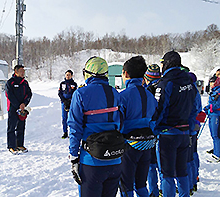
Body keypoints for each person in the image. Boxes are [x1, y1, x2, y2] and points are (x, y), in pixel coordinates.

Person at [68, 56, 123, 197]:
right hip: (115, 160)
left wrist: (74, 157)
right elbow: (121, 122)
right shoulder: (115, 93)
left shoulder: (80, 94)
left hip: (92, 161)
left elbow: (75, 128)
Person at [152, 51, 200, 197]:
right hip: (185, 133)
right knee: (181, 171)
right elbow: (195, 108)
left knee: (167, 174)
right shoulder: (190, 83)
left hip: (168, 134)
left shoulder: (166, 82)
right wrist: (190, 125)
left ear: (166, 63)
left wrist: (153, 128)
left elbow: (159, 109)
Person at [119, 56, 158, 197]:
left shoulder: (122, 96)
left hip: (129, 145)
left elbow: (119, 123)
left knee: (126, 185)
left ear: (126, 74)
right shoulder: (150, 96)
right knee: (141, 184)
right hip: (147, 144)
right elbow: (154, 120)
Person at [144, 64, 162, 197]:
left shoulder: (148, 90)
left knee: (151, 164)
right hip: (165, 129)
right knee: (163, 165)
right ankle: (164, 190)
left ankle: (153, 191)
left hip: (151, 130)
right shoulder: (165, 86)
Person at [5, 64, 32, 155]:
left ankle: (20, 144)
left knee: (21, 127)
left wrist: (24, 103)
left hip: (22, 108)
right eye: (21, 71)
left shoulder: (25, 83)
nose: (23, 73)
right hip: (13, 108)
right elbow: (9, 95)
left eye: (23, 71)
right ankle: (11, 146)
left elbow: (29, 93)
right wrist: (18, 105)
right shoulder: (10, 82)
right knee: (12, 127)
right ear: (16, 72)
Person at [204, 76, 220, 162]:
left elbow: (219, 103)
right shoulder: (214, 90)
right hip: (213, 114)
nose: (210, 84)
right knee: (215, 134)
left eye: (212, 82)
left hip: (217, 114)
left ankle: (217, 154)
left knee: (216, 134)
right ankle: (217, 152)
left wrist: (211, 107)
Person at [58, 70, 77, 139]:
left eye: (69, 75)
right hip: (64, 103)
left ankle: (72, 132)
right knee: (64, 118)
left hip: (71, 103)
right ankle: (65, 132)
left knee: (72, 118)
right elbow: (59, 93)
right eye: (66, 75)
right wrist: (64, 101)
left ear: (72, 76)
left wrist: (70, 101)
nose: (67, 76)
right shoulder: (62, 83)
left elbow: (75, 94)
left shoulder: (74, 84)